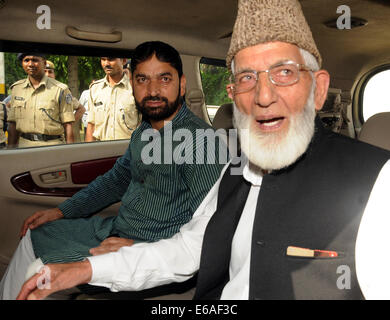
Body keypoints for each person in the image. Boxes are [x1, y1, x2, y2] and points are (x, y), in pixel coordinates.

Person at [16, 0, 390, 301]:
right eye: (246, 77)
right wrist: (88, 267)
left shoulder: (378, 184)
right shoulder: (236, 174)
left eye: (284, 72)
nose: (263, 96)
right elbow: (189, 248)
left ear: (319, 89)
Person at [0, 41, 226, 300]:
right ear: (132, 84)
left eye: (164, 78)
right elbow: (116, 180)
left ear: (182, 84)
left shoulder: (202, 142)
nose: (153, 90)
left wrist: (140, 248)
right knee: (34, 235)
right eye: (142, 79)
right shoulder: (144, 131)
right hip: (115, 231)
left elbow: (211, 226)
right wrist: (61, 211)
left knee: (40, 272)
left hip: (149, 248)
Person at [7, 53, 75, 148]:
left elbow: (68, 125)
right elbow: (13, 124)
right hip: (24, 146)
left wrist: (70, 153)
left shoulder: (60, 89)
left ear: (44, 62)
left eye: (35, 60)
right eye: (26, 60)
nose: (30, 64)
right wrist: (11, 151)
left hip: (52, 146)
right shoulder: (17, 89)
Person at [85, 56, 141, 142]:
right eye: (103, 59)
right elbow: (91, 125)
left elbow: (143, 125)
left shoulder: (135, 88)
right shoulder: (95, 89)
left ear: (124, 61)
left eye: (111, 59)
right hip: (101, 149)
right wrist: (88, 152)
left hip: (128, 150)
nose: (106, 64)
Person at [45, 60, 86, 143]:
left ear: (54, 74)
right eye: (44, 71)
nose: (47, 75)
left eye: (50, 72)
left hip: (55, 140)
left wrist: (67, 124)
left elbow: (81, 109)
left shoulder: (61, 91)